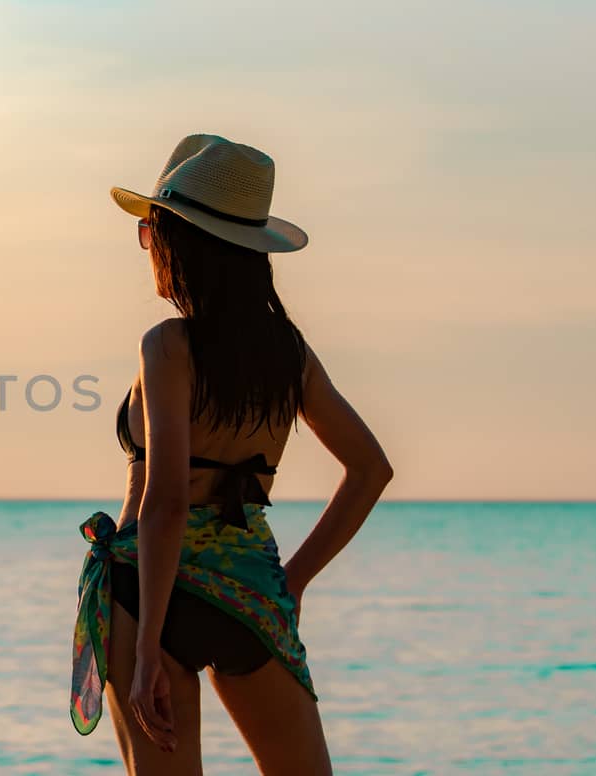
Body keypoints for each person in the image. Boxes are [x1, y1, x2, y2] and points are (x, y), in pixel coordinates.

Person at [69, 134, 393, 775]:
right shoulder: (287, 356)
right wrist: (292, 581)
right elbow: (370, 469)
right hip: (248, 588)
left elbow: (164, 504)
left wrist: (149, 652)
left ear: (181, 244)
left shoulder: (167, 347)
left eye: (151, 233)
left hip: (146, 590)